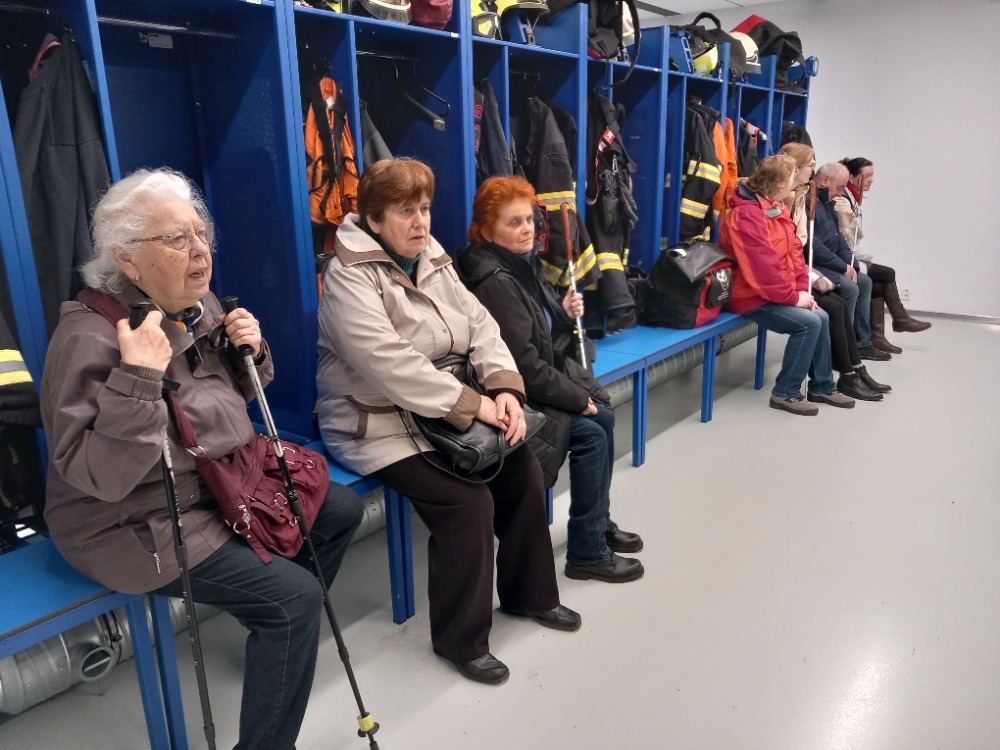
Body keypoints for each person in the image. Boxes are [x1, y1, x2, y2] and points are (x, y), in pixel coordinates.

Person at [41, 168, 365, 750]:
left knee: (338, 510)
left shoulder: (196, 302)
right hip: (133, 519)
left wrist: (250, 353)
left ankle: (272, 632)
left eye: (201, 233)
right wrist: (138, 378)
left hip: (218, 479)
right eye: (175, 239)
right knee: (293, 601)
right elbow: (101, 479)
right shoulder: (88, 339)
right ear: (127, 259)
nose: (200, 251)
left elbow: (225, 403)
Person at [315, 157, 579, 686]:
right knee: (466, 503)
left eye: (425, 208)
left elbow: (479, 323)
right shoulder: (347, 275)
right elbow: (389, 363)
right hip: (377, 422)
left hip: (446, 408)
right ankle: (462, 640)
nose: (420, 222)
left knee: (523, 469)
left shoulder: (430, 254)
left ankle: (530, 596)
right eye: (404, 211)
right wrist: (475, 405)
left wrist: (504, 388)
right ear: (373, 218)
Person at [454, 175, 644, 585]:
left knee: (604, 413)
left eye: (529, 220)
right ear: (487, 230)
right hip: (512, 395)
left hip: (540, 377)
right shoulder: (495, 281)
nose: (527, 230)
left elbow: (538, 329)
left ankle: (597, 523)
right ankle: (587, 552)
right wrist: (575, 398)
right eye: (514, 222)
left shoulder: (521, 264)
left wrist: (561, 309)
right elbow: (523, 366)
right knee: (591, 432)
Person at [718, 154, 855, 415]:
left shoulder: (776, 207)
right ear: (780, 183)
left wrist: (802, 290)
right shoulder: (746, 215)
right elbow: (761, 268)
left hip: (772, 291)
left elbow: (794, 254)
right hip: (749, 295)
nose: (797, 182)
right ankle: (786, 393)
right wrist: (792, 298)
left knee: (822, 316)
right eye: (793, 177)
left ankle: (822, 386)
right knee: (809, 323)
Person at [779, 143, 890, 400]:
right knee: (834, 307)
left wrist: (847, 262)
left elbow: (838, 239)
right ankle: (841, 370)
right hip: (801, 272)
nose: (812, 170)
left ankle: (852, 368)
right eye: (809, 165)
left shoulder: (815, 199)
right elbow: (805, 245)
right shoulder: (797, 202)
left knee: (845, 298)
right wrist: (835, 268)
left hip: (801, 271)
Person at [834, 156, 931, 354]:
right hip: (844, 259)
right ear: (852, 177)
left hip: (853, 256)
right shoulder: (843, 201)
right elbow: (849, 244)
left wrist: (865, 255)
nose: (871, 180)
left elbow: (855, 240)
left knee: (877, 286)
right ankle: (899, 320)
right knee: (887, 273)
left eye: (873, 175)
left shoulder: (854, 199)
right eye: (867, 175)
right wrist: (869, 256)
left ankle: (875, 337)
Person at [809, 163, 890, 362]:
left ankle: (861, 343)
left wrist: (849, 265)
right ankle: (842, 350)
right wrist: (841, 266)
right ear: (825, 180)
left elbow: (839, 239)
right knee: (851, 288)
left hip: (830, 263)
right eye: (839, 188)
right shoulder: (808, 202)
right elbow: (811, 244)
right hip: (816, 265)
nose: (840, 194)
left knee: (864, 281)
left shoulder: (828, 204)